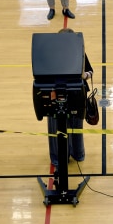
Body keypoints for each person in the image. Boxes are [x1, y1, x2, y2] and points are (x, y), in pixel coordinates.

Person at [48, 28, 93, 167]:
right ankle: (59, 158)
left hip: (76, 95)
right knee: (56, 127)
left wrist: (83, 75)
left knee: (76, 126)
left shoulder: (79, 53)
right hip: (57, 95)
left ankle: (77, 153)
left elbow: (90, 71)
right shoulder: (52, 55)